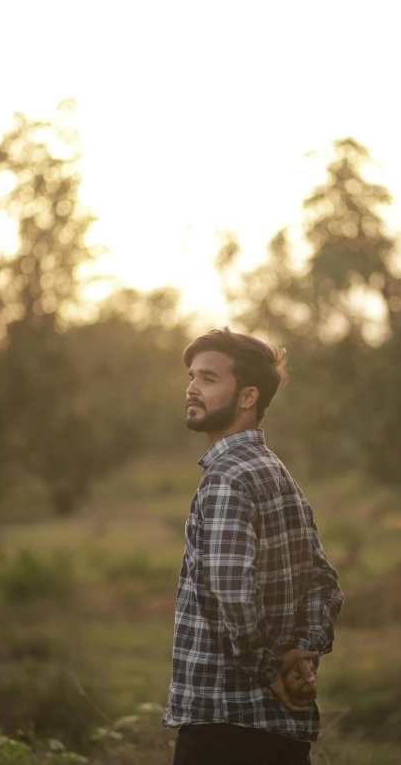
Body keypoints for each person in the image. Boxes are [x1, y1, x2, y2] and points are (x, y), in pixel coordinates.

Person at [162, 328, 344, 765]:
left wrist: (273, 670)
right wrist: (304, 653)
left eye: (207, 378)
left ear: (247, 397)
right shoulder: (277, 473)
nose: (191, 388)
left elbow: (232, 589)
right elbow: (326, 584)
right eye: (191, 377)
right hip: (283, 727)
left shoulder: (226, 477)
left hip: (224, 722)